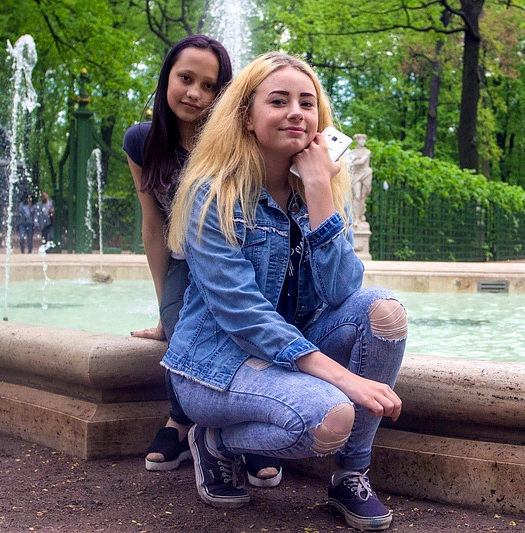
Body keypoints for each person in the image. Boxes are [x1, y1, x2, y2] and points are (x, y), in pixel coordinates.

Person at [164, 52, 407, 530]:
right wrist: (344, 378)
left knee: (384, 312)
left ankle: (351, 475)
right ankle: (214, 442)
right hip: (216, 366)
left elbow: (342, 290)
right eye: (278, 101)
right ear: (246, 117)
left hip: (286, 357)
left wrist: (318, 190)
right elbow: (244, 315)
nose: (296, 112)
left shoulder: (316, 188)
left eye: (306, 103)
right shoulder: (212, 194)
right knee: (331, 416)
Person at [123, 35, 281, 485]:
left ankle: (226, 426)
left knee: (242, 328)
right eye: (186, 79)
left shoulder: (237, 144)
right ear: (166, 79)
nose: (194, 93)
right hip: (182, 259)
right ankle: (184, 420)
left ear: (223, 94)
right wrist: (163, 308)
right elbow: (153, 225)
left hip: (235, 256)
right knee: (181, 329)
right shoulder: (141, 141)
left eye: (209, 86)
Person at [349, 133, 372, 224]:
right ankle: (356, 217)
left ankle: (361, 214)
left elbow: (362, 161)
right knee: (357, 196)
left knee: (363, 196)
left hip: (366, 173)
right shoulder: (352, 152)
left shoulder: (367, 151)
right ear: (357, 141)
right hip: (356, 174)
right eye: (361, 140)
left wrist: (351, 162)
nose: (363, 142)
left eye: (364, 140)